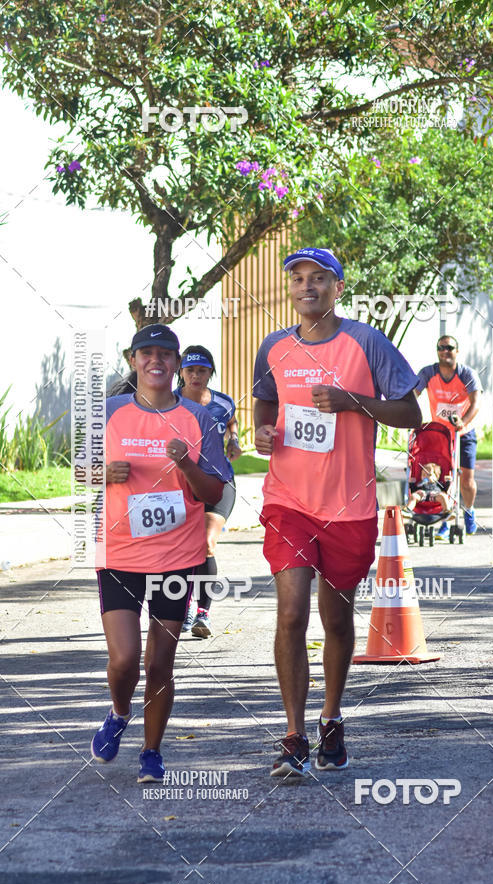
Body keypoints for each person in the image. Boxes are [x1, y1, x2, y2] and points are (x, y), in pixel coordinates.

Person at [253, 247, 422, 777]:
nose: (307, 286)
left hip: (349, 507)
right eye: (298, 278)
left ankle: (331, 719)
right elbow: (265, 400)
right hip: (289, 502)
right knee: (290, 612)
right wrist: (261, 429)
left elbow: (412, 413)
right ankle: (293, 735)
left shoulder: (366, 342)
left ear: (338, 287)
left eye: (318, 278)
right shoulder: (274, 347)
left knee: (337, 619)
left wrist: (353, 401)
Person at [90, 324, 232, 783]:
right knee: (125, 660)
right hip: (120, 555)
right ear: (133, 361)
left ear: (176, 364)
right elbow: (78, 468)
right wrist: (102, 472)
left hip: (176, 557)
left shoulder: (197, 419)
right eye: (146, 353)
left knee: (159, 664)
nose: (157, 361)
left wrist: (186, 464)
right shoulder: (110, 412)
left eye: (165, 354)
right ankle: (117, 712)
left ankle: (152, 751)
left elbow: (217, 488)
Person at [175, 345, 242, 636]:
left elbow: (230, 422)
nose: (195, 375)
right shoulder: (170, 402)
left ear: (210, 373)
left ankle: (203, 613)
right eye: (190, 370)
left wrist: (234, 440)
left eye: (202, 370)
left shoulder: (223, 402)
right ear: (181, 372)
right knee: (181, 549)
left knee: (205, 543)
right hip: (180, 485)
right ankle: (185, 606)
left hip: (218, 482)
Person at [415, 336, 481, 538]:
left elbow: (475, 403)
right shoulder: (428, 372)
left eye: (450, 348)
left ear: (457, 351)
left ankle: (468, 511)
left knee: (466, 481)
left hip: (463, 433)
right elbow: (413, 394)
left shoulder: (466, 374)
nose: (445, 351)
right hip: (440, 436)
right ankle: (446, 520)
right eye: (441, 348)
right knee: (445, 478)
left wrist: (463, 421)